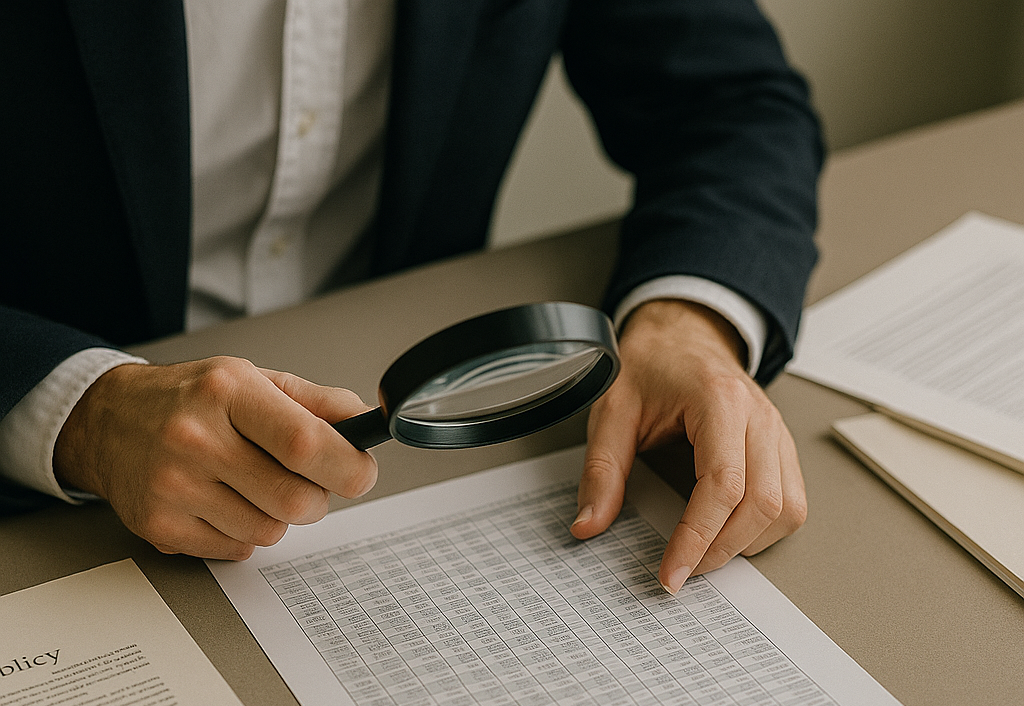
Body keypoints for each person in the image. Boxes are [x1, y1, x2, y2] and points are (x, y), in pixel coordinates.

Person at [0, 0, 822, 593]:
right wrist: (82, 412)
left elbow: (731, 100)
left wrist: (689, 324)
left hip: (417, 436)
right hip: (51, 506)